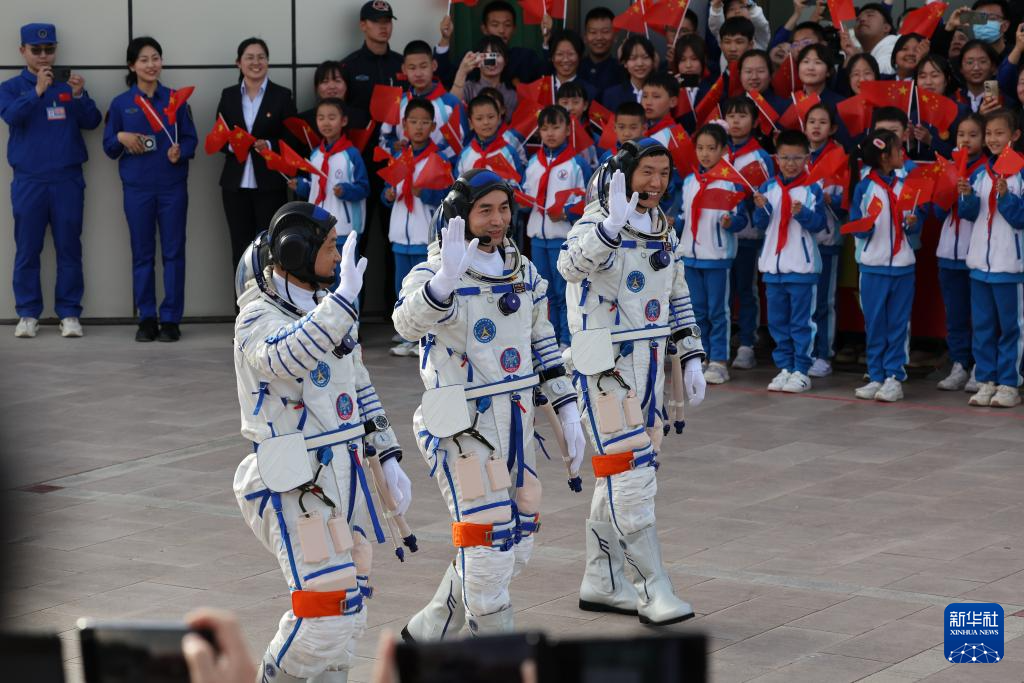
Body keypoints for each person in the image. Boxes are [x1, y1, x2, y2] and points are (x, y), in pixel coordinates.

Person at [394, 169, 583, 638]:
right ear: (460, 216)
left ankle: (432, 626)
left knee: (517, 536)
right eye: (485, 210)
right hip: (461, 425)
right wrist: (444, 281)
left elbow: (542, 340)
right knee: (488, 545)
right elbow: (406, 323)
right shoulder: (434, 273)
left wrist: (565, 408)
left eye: (503, 209)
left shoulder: (523, 271)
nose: (497, 220)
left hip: (515, 420)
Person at [232, 202, 412, 681]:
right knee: (325, 610)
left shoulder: (330, 310)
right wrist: (342, 303)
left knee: (350, 605)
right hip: (293, 480)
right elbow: (285, 356)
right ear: (296, 251)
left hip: (344, 473)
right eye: (330, 246)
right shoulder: (256, 318)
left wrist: (388, 454)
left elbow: (359, 386)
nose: (337, 256)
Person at [558, 139, 706, 625]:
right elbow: (569, 266)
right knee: (633, 476)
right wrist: (610, 227)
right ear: (622, 176)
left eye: (664, 173)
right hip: (603, 366)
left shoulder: (663, 228)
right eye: (647, 172)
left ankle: (602, 580)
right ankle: (652, 588)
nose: (656, 183)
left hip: (650, 364)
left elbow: (677, 292)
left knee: (623, 474)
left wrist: (690, 353)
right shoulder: (596, 224)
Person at [0, 23, 101, 338]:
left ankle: (69, 313)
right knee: (27, 249)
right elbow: (11, 116)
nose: (43, 56)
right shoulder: (11, 87)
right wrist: (37, 91)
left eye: (49, 49)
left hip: (66, 179)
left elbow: (93, 121)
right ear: (23, 51)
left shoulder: (66, 85)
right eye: (36, 50)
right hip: (29, 180)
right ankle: (27, 313)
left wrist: (79, 95)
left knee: (69, 248)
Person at [103, 36, 197, 343]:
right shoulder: (121, 104)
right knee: (142, 254)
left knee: (173, 253)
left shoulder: (176, 100)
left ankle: (170, 319)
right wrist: (121, 136)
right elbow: (108, 147)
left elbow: (191, 139)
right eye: (143, 60)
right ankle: (146, 317)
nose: (151, 64)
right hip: (137, 189)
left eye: (155, 58)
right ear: (132, 65)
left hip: (172, 188)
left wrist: (181, 151)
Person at [847, 130, 924, 402]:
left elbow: (916, 222)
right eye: (898, 149)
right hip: (873, 267)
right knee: (875, 323)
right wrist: (865, 227)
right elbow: (856, 223)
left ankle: (894, 377)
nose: (903, 153)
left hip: (902, 266)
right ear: (884, 157)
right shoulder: (864, 187)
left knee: (898, 324)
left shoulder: (907, 185)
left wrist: (912, 223)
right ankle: (876, 374)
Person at [751, 129, 827, 394]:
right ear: (777, 158)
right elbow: (760, 225)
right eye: (785, 158)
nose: (790, 163)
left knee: (801, 322)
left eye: (796, 158)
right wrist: (761, 208)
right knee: (777, 322)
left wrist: (803, 213)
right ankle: (785, 367)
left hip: (801, 268)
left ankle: (802, 370)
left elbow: (819, 224)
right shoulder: (768, 188)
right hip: (773, 267)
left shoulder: (812, 188)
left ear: (807, 158)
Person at [957, 109, 1024, 408]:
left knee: (1011, 328)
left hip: (1009, 266)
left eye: (1000, 133)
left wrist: (1007, 197)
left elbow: (1020, 218)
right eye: (989, 134)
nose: (993, 139)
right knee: (983, 326)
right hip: (979, 266)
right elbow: (970, 214)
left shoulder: (1021, 173)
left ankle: (1009, 383)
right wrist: (967, 196)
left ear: (1015, 135)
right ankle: (986, 380)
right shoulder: (981, 172)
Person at [216, 37, 296, 271]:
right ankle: (241, 296)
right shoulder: (229, 95)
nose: (256, 62)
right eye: (249, 57)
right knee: (240, 248)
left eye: (261, 57)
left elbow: (292, 138)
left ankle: (269, 296)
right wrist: (237, 145)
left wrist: (269, 145)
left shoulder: (282, 95)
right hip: (235, 186)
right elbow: (219, 137)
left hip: (270, 184)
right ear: (238, 63)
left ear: (267, 61)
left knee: (269, 249)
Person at [678, 123, 749, 384]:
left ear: (723, 150)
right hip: (691, 256)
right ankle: (702, 356)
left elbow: (742, 218)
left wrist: (731, 223)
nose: (705, 154)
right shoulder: (689, 181)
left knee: (718, 311)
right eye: (700, 148)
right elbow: (684, 216)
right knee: (696, 310)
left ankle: (719, 360)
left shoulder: (731, 182)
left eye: (711, 148)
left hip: (717, 257)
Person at [381, 98, 450, 356]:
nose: (418, 127)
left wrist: (426, 194)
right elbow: (386, 193)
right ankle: (406, 333)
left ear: (433, 126)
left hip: (425, 236)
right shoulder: (399, 157)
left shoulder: (439, 158)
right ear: (404, 125)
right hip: (401, 233)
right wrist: (387, 195)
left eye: (424, 122)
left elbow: (447, 196)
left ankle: (425, 336)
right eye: (413, 122)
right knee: (403, 286)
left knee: (425, 286)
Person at [521, 105, 592, 348]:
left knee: (565, 292)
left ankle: (567, 340)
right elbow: (525, 197)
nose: (550, 133)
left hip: (564, 239)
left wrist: (566, 212)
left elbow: (590, 200)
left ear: (567, 130)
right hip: (537, 239)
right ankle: (548, 340)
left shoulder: (577, 164)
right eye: (545, 128)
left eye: (556, 127)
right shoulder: (533, 163)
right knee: (543, 292)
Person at [931, 113, 986, 392]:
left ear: (984, 139)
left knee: (981, 315)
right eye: (961, 135)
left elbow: (976, 212)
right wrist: (948, 189)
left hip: (976, 253)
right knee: (955, 314)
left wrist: (966, 193)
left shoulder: (987, 169)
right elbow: (937, 211)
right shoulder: (948, 167)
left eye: (973, 135)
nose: (966, 140)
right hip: (948, 253)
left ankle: (980, 367)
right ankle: (959, 364)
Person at [724, 96, 774, 371]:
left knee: (746, 289)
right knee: (723, 292)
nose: (736, 121)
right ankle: (720, 343)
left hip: (748, 235)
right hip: (720, 235)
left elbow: (768, 197)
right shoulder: (718, 151)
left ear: (754, 122)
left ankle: (747, 343)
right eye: (731, 115)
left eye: (742, 116)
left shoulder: (760, 157)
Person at [289, 99, 369, 262]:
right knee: (322, 272)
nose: (326, 123)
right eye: (321, 118)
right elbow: (315, 187)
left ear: (343, 121)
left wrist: (346, 190)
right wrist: (301, 186)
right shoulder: (315, 155)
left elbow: (364, 188)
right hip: (318, 228)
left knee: (344, 273)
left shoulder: (351, 154)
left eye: (332, 118)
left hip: (345, 229)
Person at [803, 103, 846, 378]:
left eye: (822, 122)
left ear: (832, 128)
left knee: (823, 302)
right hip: (800, 244)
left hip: (827, 242)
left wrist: (833, 199)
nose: (816, 126)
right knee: (803, 302)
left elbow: (848, 202)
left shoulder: (839, 159)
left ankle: (823, 354)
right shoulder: (798, 157)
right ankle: (803, 352)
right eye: (811, 122)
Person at [379, 40, 462, 160]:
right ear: (404, 69)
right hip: (403, 167)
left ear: (434, 65)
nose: (418, 74)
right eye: (412, 68)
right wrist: (393, 146)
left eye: (423, 67)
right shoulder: (398, 102)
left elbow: (460, 143)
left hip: (440, 168)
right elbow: (384, 138)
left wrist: (434, 156)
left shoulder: (451, 104)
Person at [436, 1, 546, 87]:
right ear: (484, 29)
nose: (501, 30)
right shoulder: (473, 59)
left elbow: (546, 78)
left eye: (507, 25)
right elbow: (444, 78)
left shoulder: (525, 58)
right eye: (495, 25)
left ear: (514, 29)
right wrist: (445, 39)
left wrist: (546, 39)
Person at [450, 36, 518, 122]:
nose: (492, 61)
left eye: (497, 55)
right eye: (486, 56)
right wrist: (462, 71)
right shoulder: (468, 87)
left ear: (505, 61)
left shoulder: (512, 93)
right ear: (477, 59)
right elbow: (451, 108)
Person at [455, 95, 524, 177]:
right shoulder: (465, 154)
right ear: (471, 122)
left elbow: (517, 183)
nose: (486, 122)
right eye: (479, 119)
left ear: (499, 118)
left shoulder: (509, 153)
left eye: (491, 117)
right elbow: (459, 182)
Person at [298, 61, 368, 136]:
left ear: (346, 85)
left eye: (337, 81)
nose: (332, 86)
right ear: (317, 88)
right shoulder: (303, 121)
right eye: (325, 81)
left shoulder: (361, 118)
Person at [600, 35, 658, 116]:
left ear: (653, 61)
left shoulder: (661, 94)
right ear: (625, 63)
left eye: (645, 57)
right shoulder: (611, 95)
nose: (640, 63)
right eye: (633, 58)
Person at [580, 7, 628, 93]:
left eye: (605, 32)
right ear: (585, 37)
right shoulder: (575, 67)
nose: (599, 37)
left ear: (615, 36)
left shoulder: (622, 70)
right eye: (593, 32)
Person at [850, 3, 899, 77]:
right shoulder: (856, 54)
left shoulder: (895, 49)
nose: (862, 19)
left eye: (870, 15)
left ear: (886, 27)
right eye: (858, 19)